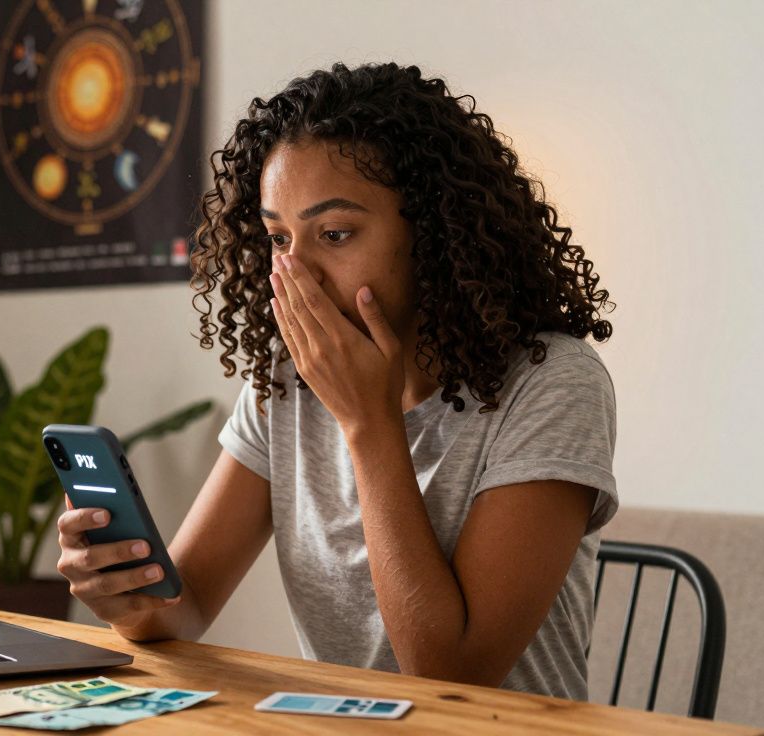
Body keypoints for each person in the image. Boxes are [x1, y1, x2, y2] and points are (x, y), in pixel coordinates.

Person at [55, 62, 618, 701]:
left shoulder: (553, 383)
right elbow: (179, 611)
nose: (299, 273)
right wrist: (121, 591)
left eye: (335, 234)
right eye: (278, 238)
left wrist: (367, 422)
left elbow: (452, 677)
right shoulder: (289, 383)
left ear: (432, 230)